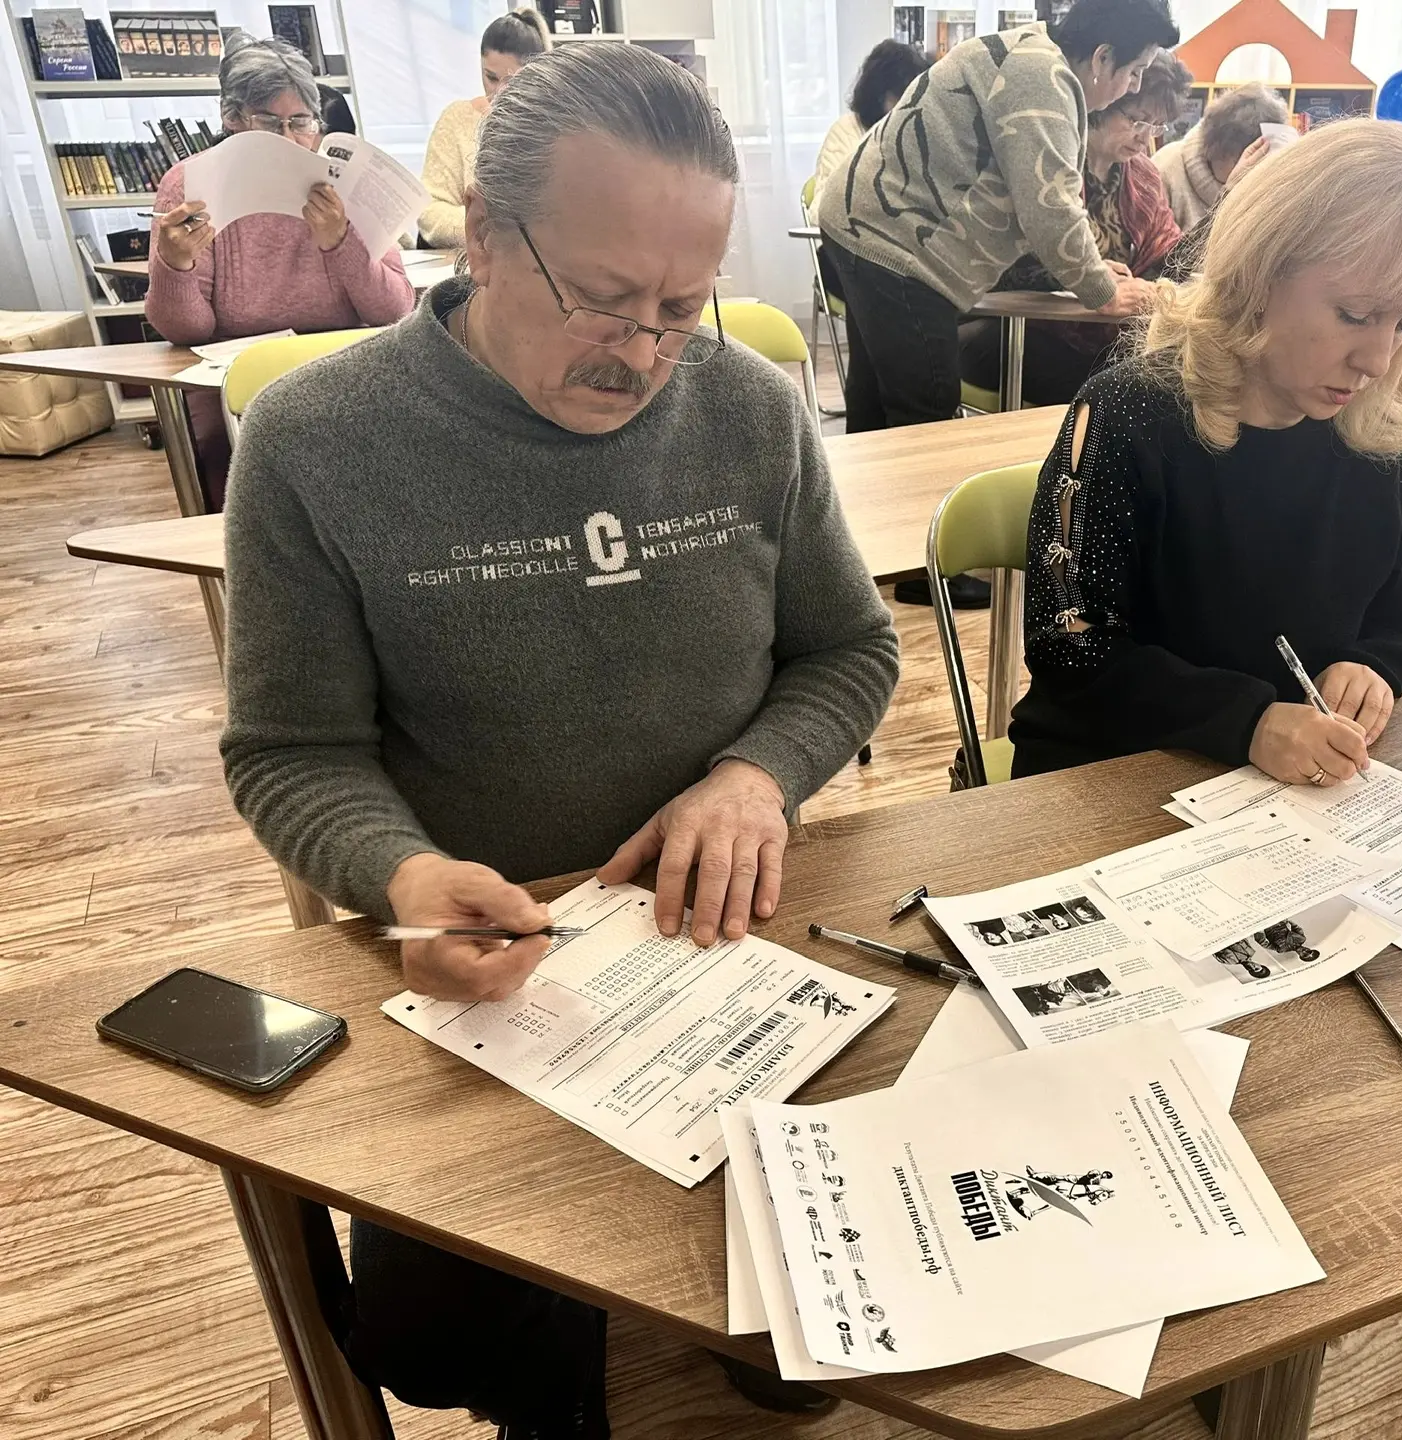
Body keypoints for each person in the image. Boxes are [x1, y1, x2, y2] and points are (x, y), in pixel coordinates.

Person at [219, 43, 899, 1436]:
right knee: (431, 1350)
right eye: (600, 298)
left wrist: (754, 778)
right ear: (481, 233)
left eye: (682, 309)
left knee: (810, 1338)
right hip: (490, 970)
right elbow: (290, 752)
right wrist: (406, 879)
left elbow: (849, 649)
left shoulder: (749, 409)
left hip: (728, 938)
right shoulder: (315, 440)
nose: (641, 354)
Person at [1009, 119, 1402, 1440]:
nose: (1378, 356)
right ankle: (1226, 1312)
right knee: (1202, 1045)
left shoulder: (1374, 427)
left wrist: (1378, 666)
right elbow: (1071, 644)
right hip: (1114, 778)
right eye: (1356, 315)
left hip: (1297, 795)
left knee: (1387, 1030)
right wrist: (1242, 718)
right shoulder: (1134, 412)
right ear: (1264, 274)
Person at [816, 0, 1178, 434]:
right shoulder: (1043, 79)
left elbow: (1040, 202)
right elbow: (1050, 209)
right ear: (1103, 57)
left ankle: (863, 478)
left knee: (875, 401)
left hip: (867, 222)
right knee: (926, 412)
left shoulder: (1030, 53)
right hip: (896, 241)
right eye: (1135, 71)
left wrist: (1092, 269)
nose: (1134, 85)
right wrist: (1102, 291)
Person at [146, 36, 413, 508]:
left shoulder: (343, 181)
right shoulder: (190, 186)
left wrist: (340, 241)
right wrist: (176, 265)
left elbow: (395, 309)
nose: (289, 140)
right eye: (269, 123)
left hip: (341, 368)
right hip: (239, 377)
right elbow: (187, 331)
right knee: (224, 447)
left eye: (301, 122)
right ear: (232, 119)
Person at [957, 50, 1189, 407]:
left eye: (1156, 127)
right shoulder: (1048, 159)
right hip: (1016, 329)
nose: (1145, 139)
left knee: (1169, 372)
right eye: (1137, 121)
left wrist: (1150, 288)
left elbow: (1168, 255)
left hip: (1105, 340)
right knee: (1119, 388)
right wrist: (1087, 278)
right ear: (1102, 103)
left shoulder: (1144, 177)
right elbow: (1007, 264)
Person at [418, 6, 551, 247]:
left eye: (512, 81)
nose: (498, 92)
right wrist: (490, 230)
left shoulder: (554, 126)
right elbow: (429, 212)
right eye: (490, 77)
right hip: (472, 259)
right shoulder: (457, 120)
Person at [804, 38, 931, 226]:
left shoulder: (918, 133)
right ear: (878, 95)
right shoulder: (846, 131)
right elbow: (822, 213)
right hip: (860, 238)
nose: (907, 108)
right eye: (900, 98)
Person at [1154, 82, 1290, 230]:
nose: (1255, 174)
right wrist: (1229, 194)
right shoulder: (1165, 170)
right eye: (1252, 162)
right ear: (1222, 152)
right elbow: (1173, 247)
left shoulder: (1264, 182)